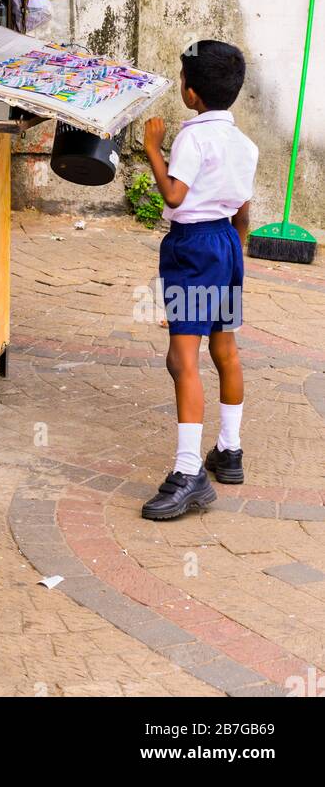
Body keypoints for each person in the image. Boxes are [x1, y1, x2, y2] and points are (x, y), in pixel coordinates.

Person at [140, 40, 258, 521]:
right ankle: (229, 452)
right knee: (224, 349)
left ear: (191, 93)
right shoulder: (244, 144)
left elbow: (172, 195)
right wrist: (235, 252)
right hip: (228, 244)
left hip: (194, 248)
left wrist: (151, 147)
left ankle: (189, 473)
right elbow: (244, 208)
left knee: (181, 358)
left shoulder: (192, 138)